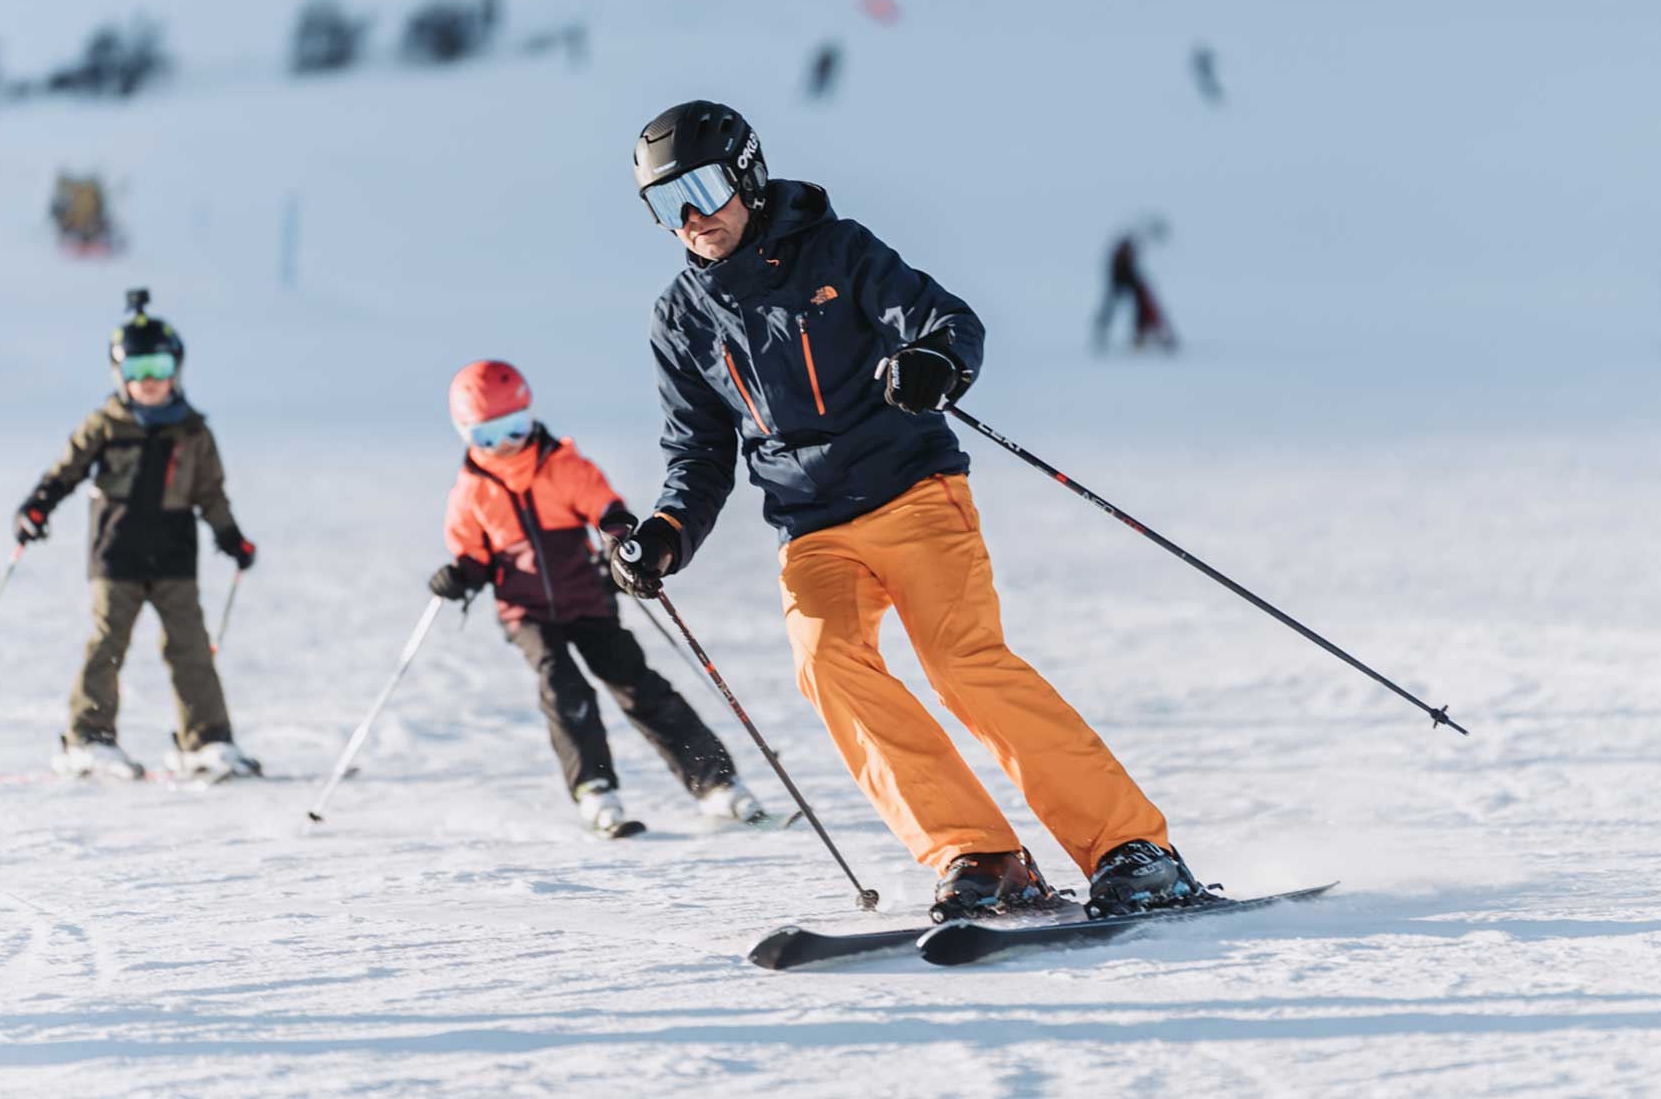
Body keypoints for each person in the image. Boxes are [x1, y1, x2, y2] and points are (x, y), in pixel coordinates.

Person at [608, 100, 1197, 919]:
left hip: (913, 492)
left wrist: (933, 361)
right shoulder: (680, 319)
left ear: (746, 172)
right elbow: (697, 454)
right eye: (664, 204)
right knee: (827, 663)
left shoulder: (839, 251)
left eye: (702, 188)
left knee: (962, 663)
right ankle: (980, 853)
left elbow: (946, 320)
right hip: (811, 528)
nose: (691, 218)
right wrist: (666, 534)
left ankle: (1134, 849)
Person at [431, 360, 763, 837]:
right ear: (465, 435)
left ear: (530, 415)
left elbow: (604, 507)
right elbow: (472, 553)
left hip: (587, 599)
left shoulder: (561, 465)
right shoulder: (471, 492)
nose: (505, 446)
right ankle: (595, 789)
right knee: (563, 686)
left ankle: (717, 783)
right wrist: (459, 574)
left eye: (514, 429)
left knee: (636, 683)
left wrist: (617, 534)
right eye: (487, 437)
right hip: (526, 613)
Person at [13, 291, 259, 780]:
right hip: (116, 553)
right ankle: (89, 737)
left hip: (173, 554)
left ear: (177, 369)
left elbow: (211, 493)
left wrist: (230, 537)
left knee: (189, 646)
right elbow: (65, 472)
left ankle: (205, 740)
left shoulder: (193, 431)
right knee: (108, 643)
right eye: (137, 369)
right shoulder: (105, 425)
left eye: (159, 366)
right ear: (119, 375)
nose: (148, 381)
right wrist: (37, 508)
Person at [1094, 219, 1178, 352]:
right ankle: (1135, 335)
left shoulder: (1136, 236)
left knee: (1139, 302)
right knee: (1121, 303)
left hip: (1125, 272)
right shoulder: (1138, 235)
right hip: (1121, 273)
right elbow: (1122, 257)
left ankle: (1140, 334)